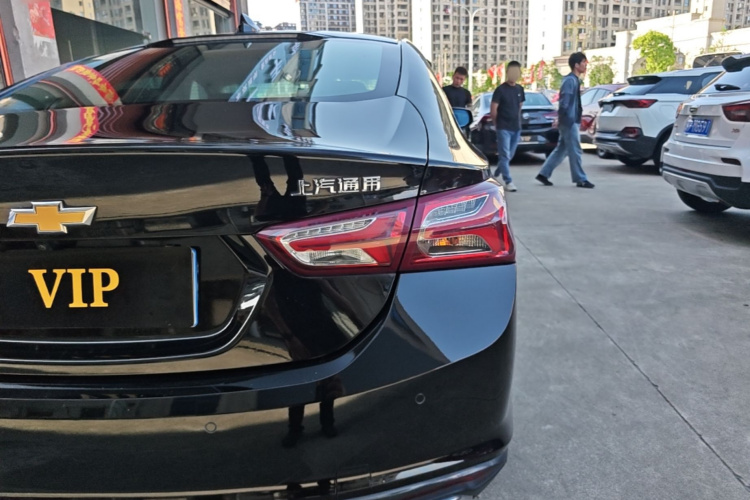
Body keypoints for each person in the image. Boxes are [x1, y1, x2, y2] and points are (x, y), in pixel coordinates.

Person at [535, 52, 595, 189]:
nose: (585, 65)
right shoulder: (570, 81)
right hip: (569, 121)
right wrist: (561, 118)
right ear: (576, 65)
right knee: (575, 150)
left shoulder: (574, 80)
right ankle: (580, 179)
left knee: (561, 150)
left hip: (571, 119)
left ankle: (544, 174)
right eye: (583, 62)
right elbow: (564, 102)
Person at [490, 61, 525, 192]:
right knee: (504, 155)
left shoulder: (520, 89)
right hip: (503, 127)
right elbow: (493, 109)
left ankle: (498, 171)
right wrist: (496, 124)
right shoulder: (500, 90)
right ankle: (508, 181)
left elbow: (519, 107)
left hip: (516, 127)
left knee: (509, 155)